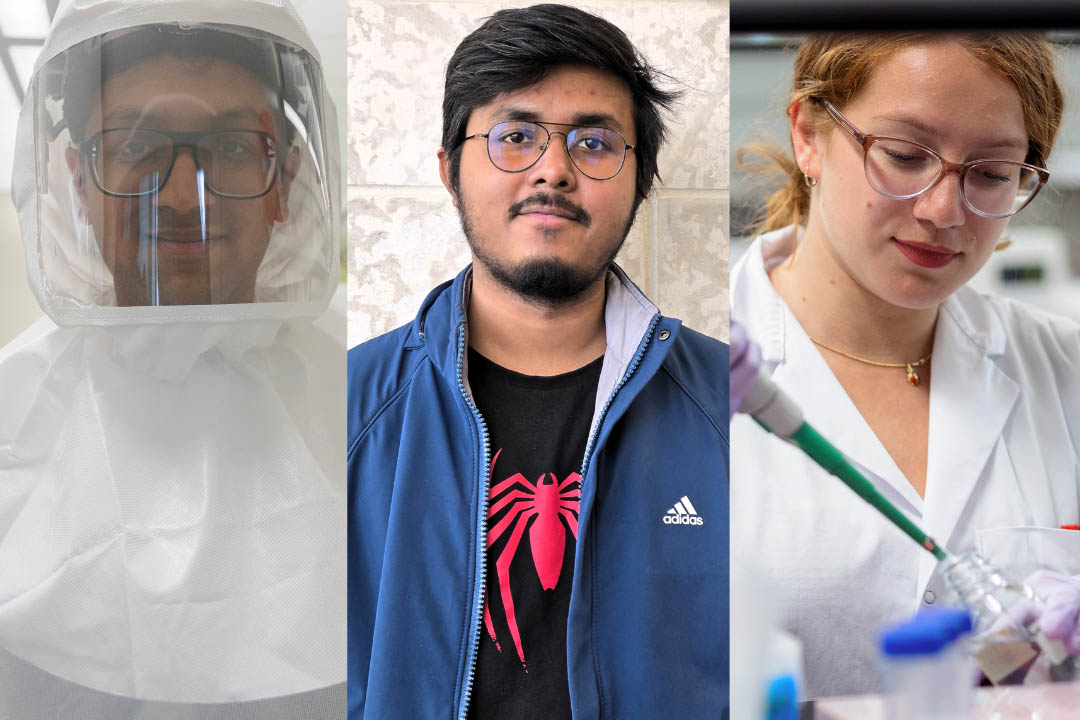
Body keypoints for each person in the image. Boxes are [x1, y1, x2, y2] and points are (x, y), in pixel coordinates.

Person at [347, 5, 729, 719]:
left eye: (594, 143)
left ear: (642, 179)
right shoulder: (343, 409)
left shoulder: (737, 409)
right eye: (515, 136)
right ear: (449, 170)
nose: (553, 170)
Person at [0, 0, 345, 716]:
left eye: (230, 147)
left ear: (284, 182)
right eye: (134, 144)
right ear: (76, 181)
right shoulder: (13, 414)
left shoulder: (373, 395)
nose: (183, 197)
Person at [730, 33, 1080, 699]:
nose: (943, 211)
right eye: (903, 155)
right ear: (809, 135)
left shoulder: (1065, 371)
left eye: (991, 173)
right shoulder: (691, 364)